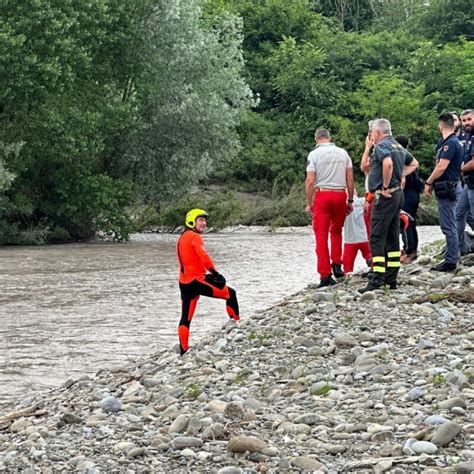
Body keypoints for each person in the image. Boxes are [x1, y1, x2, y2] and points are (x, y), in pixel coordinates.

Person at [358, 119, 418, 293]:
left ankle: (377, 278)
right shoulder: (398, 146)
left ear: (377, 133)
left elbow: (388, 163)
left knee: (376, 237)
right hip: (398, 194)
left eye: (372, 134)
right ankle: (391, 278)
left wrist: (385, 185)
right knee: (392, 236)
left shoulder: (381, 146)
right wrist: (399, 176)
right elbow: (414, 163)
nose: (371, 137)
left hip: (385, 196)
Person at [176, 208, 239, 356]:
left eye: (205, 220)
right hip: (197, 281)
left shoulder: (182, 237)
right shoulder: (195, 237)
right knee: (231, 294)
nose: (204, 223)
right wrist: (215, 273)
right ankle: (237, 326)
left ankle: (184, 349)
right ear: (192, 221)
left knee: (186, 317)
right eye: (201, 220)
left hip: (184, 283)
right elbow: (203, 257)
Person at [305, 128, 354, 287]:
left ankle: (325, 275)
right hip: (340, 194)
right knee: (336, 231)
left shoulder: (314, 155)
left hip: (323, 195)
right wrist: (350, 200)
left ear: (316, 139)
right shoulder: (343, 153)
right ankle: (337, 265)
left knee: (321, 235)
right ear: (329, 137)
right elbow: (350, 179)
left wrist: (309, 202)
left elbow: (310, 181)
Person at [424, 113, 463, 271]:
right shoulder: (450, 142)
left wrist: (429, 181)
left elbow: (441, 166)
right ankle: (453, 254)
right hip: (448, 185)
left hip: (447, 187)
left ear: (440, 126)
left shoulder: (450, 143)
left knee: (448, 225)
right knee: (451, 223)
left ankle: (451, 260)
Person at [396, 135, 424, 263]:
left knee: (404, 223)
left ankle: (409, 251)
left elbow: (403, 180)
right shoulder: (409, 157)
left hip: (407, 194)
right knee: (411, 223)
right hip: (414, 194)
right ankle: (411, 249)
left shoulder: (401, 157)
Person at [455, 109, 474, 255]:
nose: (466, 123)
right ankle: (460, 247)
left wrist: (458, 168)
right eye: (464, 120)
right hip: (468, 183)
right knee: (459, 214)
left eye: (469, 119)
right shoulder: (465, 137)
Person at [342, 193, 371, 274]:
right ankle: (373, 270)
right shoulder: (363, 201)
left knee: (347, 264)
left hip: (350, 239)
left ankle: (347, 277)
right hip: (364, 237)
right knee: (370, 256)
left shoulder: (343, 203)